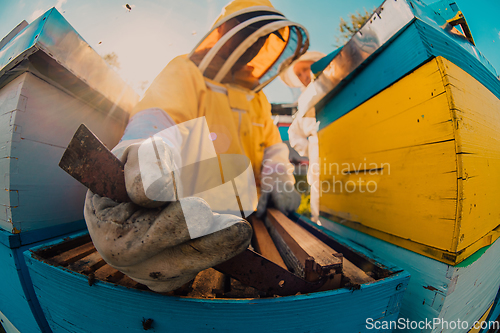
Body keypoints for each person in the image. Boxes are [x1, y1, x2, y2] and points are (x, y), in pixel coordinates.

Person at [84, 0, 309, 292]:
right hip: (192, 215)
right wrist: (142, 150)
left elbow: (272, 148)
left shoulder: (258, 99)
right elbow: (159, 120)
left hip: (248, 216)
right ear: (226, 31)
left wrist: (280, 177)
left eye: (262, 39)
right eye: (248, 33)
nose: (253, 45)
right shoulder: (185, 72)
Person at [281, 52, 325, 223]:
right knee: (319, 199)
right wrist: (312, 150)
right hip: (318, 158)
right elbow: (294, 133)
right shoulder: (303, 100)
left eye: (306, 69)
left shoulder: (326, 85)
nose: (303, 76)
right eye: (299, 74)